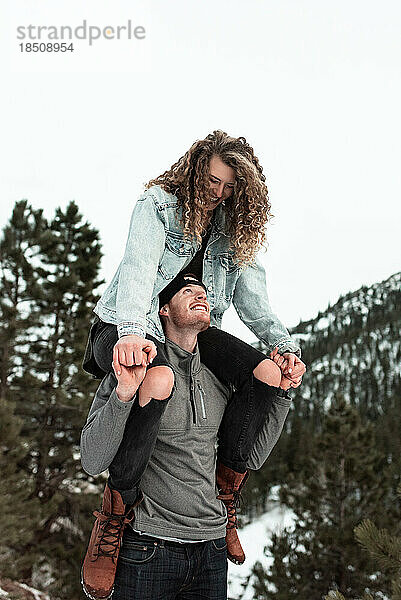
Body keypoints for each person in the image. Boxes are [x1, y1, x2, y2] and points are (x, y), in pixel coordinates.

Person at [81, 275, 294, 600]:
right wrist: (123, 393)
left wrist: (283, 395)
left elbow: (252, 457)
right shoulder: (135, 370)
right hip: (147, 544)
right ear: (163, 309)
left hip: (210, 548)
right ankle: (112, 516)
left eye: (204, 293)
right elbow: (92, 460)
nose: (201, 297)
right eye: (188, 291)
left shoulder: (221, 378)